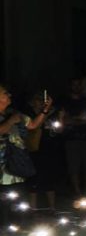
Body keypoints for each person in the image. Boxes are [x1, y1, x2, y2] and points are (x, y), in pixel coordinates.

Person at [0, 85, 53, 225]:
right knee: (3, 196)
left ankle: (21, 224)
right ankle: (4, 225)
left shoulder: (14, 112)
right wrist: (10, 121)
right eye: (5, 93)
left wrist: (45, 110)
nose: (9, 95)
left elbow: (33, 125)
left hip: (16, 161)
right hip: (2, 163)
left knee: (20, 193)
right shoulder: (12, 117)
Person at [61, 77, 86, 197]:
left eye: (78, 85)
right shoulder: (65, 102)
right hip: (71, 139)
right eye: (74, 84)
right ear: (70, 86)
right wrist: (80, 119)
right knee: (74, 167)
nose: (76, 87)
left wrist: (74, 120)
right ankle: (77, 192)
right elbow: (64, 120)